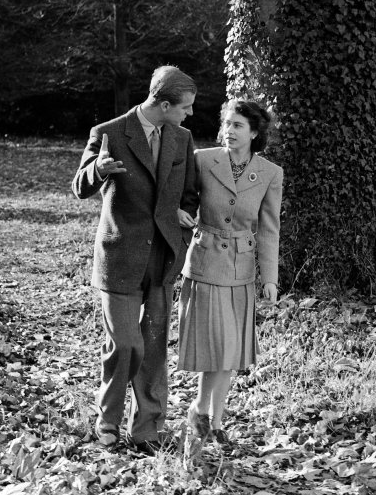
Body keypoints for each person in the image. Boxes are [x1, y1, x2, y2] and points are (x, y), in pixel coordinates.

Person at [71, 65, 199, 455]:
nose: (189, 114)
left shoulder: (183, 138)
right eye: (185, 107)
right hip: (120, 256)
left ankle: (147, 428)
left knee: (155, 347)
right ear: (162, 104)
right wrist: (98, 169)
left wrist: (182, 217)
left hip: (163, 257)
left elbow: (189, 193)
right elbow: (79, 186)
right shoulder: (108, 132)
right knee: (126, 345)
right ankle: (107, 420)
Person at [178, 99, 282, 455]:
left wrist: (269, 277)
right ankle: (201, 410)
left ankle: (211, 417)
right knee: (218, 348)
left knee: (231, 351)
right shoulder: (203, 160)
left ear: (254, 132)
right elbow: (185, 200)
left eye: (238, 125)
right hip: (206, 261)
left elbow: (269, 230)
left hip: (241, 267)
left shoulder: (269, 173)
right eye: (227, 124)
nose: (229, 131)